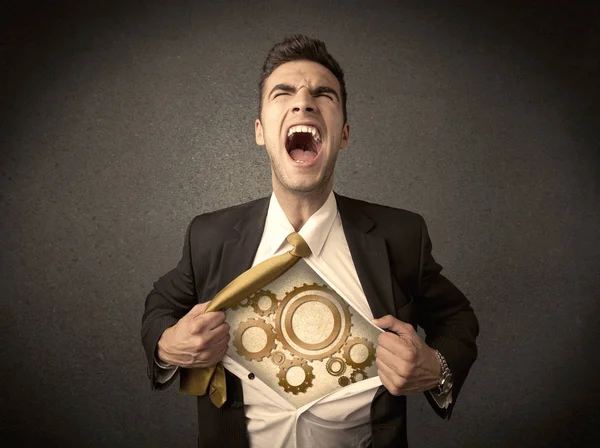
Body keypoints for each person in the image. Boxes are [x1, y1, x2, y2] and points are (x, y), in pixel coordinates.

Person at [141, 34, 479, 448]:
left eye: (323, 94)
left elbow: (458, 318)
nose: (303, 102)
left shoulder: (401, 236)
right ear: (261, 131)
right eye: (283, 93)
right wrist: (167, 345)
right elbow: (161, 305)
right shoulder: (208, 236)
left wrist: (436, 366)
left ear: (344, 135)